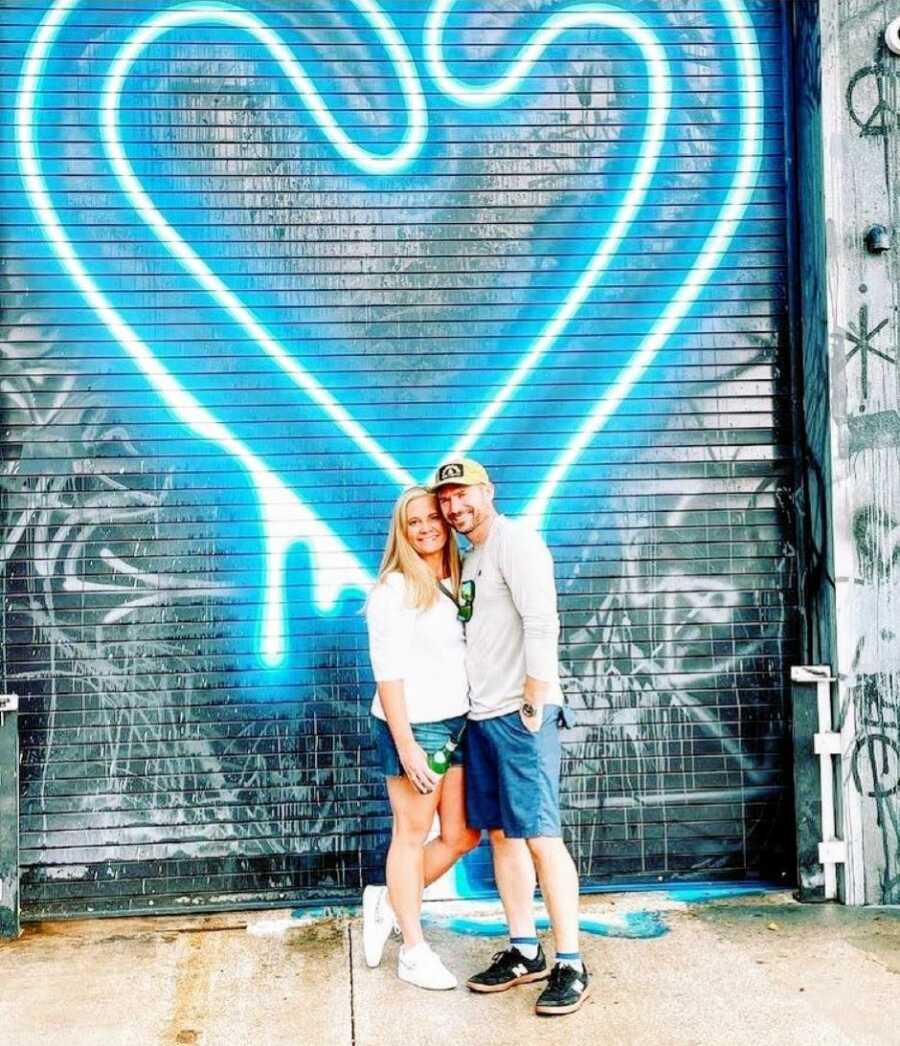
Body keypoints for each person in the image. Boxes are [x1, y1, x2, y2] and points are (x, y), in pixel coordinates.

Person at [428, 458, 590, 1017]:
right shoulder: (471, 558)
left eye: (462, 494)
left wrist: (534, 700)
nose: (454, 507)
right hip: (481, 718)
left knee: (542, 837)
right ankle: (526, 950)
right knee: (502, 836)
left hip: (521, 716)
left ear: (488, 491)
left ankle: (571, 962)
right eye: (445, 499)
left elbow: (543, 623)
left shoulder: (516, 544)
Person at [362, 485, 481, 990]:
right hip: (416, 726)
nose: (428, 526)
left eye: (434, 516)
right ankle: (412, 949)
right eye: (415, 521)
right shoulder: (394, 587)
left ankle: (389, 899)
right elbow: (387, 674)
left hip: (462, 722)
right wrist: (406, 743)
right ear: (402, 530)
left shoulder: (462, 576)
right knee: (410, 837)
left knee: (461, 835)